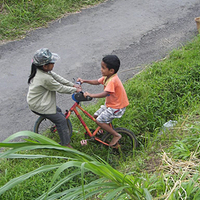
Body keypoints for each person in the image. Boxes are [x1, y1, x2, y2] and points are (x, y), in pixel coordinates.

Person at [27, 48, 81, 148]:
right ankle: (66, 145)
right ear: (45, 66)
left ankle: (62, 132)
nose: (54, 64)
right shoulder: (45, 78)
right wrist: (75, 90)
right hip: (39, 105)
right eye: (52, 62)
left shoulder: (43, 71)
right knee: (61, 120)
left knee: (59, 112)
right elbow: (59, 88)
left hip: (39, 101)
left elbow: (57, 78)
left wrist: (72, 85)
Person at [77, 55, 129, 146]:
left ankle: (116, 135)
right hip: (111, 104)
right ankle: (103, 130)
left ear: (111, 70)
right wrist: (84, 81)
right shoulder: (107, 77)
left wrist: (91, 95)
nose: (101, 69)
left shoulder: (113, 80)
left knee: (99, 121)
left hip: (117, 107)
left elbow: (105, 93)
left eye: (103, 68)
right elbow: (97, 82)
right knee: (96, 116)